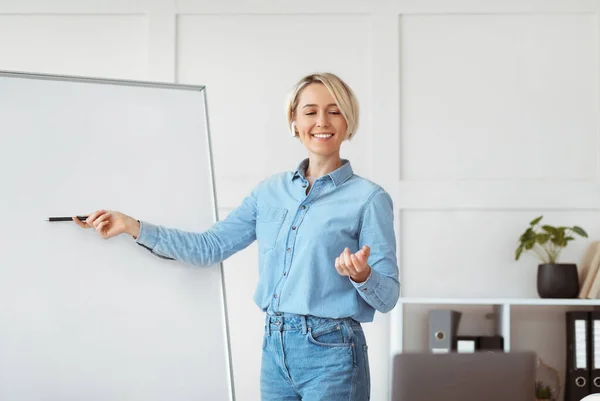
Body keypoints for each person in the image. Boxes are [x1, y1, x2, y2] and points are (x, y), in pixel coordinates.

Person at [73, 72, 400, 401]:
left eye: (334, 110)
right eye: (310, 111)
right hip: (275, 348)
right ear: (294, 120)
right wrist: (132, 226)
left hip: (334, 353)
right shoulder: (269, 192)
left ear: (348, 120)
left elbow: (387, 297)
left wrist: (362, 274)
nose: (322, 122)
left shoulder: (369, 199)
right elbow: (209, 247)